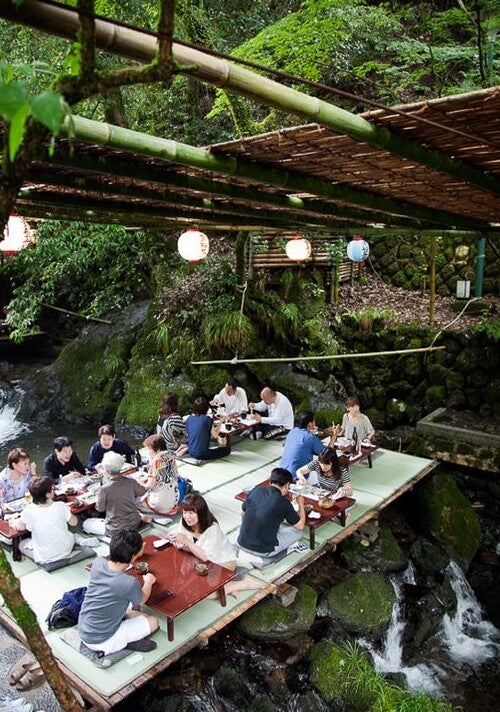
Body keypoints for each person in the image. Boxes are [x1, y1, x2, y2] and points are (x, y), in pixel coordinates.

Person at [78, 530, 158, 655]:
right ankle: (124, 644)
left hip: (84, 629)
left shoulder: (98, 563)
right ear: (133, 557)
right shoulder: (129, 582)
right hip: (102, 641)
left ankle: (123, 630)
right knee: (153, 621)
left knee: (132, 609)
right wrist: (148, 582)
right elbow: (142, 600)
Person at [170, 492, 264, 598]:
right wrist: (181, 545)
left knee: (205, 594)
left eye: (191, 513)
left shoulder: (212, 528)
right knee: (183, 581)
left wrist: (186, 542)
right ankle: (226, 586)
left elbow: (206, 557)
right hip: (199, 560)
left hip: (222, 562)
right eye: (185, 512)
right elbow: (184, 541)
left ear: (201, 513)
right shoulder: (184, 522)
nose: (187, 517)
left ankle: (240, 584)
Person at [14, 476, 97, 564]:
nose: (54, 490)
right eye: (52, 489)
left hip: (45, 556)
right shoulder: (60, 505)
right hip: (66, 548)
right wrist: (68, 511)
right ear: (48, 494)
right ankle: (81, 541)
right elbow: (74, 523)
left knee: (22, 544)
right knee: (73, 534)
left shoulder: (29, 510)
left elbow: (19, 527)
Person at [237, 467, 306, 558]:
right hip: (263, 551)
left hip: (241, 543)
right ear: (286, 486)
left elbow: (242, 512)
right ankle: (286, 550)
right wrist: (301, 504)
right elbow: (300, 526)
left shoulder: (256, 490)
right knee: (298, 533)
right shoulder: (283, 502)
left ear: (270, 481)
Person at [82, 451, 152, 538]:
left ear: (106, 471)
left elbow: (100, 509)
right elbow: (142, 491)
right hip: (134, 523)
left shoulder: (104, 489)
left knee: (86, 523)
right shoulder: (130, 481)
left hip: (115, 529)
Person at [280, 410, 337, 480]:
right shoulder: (310, 437)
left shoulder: (292, 431)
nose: (315, 423)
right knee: (327, 470)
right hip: (298, 476)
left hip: (282, 471)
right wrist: (334, 436)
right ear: (309, 424)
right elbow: (327, 453)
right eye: (314, 421)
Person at [139, 434, 179, 514]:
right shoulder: (170, 455)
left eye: (149, 449)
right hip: (175, 498)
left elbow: (149, 485)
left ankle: (154, 510)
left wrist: (140, 483)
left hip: (160, 502)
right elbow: (176, 475)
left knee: (138, 502)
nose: (148, 452)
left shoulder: (156, 461)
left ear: (157, 449)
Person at [184, 396, 230, 461]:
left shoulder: (189, 418)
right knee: (227, 450)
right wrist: (221, 421)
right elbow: (215, 435)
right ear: (206, 408)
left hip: (190, 451)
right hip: (202, 454)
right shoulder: (207, 419)